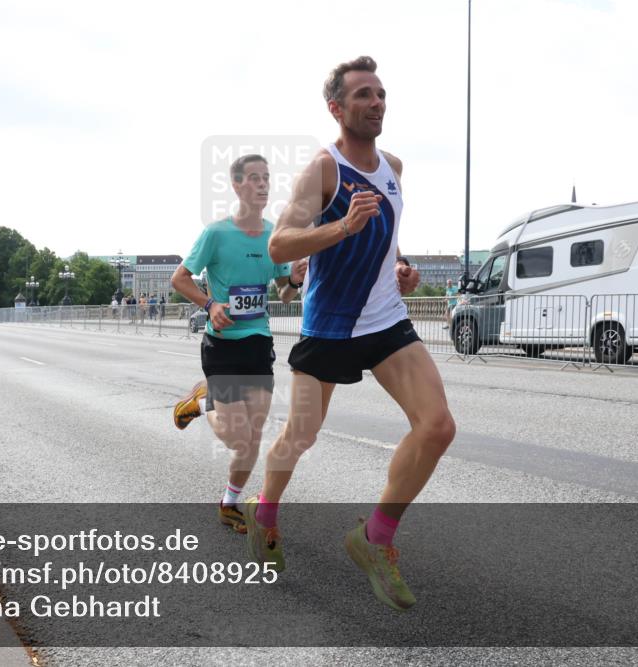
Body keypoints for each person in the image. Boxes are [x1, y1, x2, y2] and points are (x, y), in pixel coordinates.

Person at [241, 56, 456, 612]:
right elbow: (279, 245)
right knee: (301, 435)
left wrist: (402, 268)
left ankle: (376, 536)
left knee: (436, 427)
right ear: (337, 108)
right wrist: (341, 226)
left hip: (386, 320)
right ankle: (264, 510)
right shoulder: (323, 170)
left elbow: (385, 238)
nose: (377, 102)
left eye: (381, 94)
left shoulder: (394, 167)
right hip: (330, 326)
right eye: (363, 94)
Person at [170, 154, 307, 533]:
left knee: (252, 438)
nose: (262, 185)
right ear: (236, 186)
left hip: (258, 343)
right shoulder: (216, 234)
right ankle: (201, 401)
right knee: (235, 437)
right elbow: (179, 278)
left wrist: (293, 280)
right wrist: (210, 303)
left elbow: (283, 297)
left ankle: (229, 503)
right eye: (254, 178)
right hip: (223, 346)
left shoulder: (273, 234)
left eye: (266, 178)